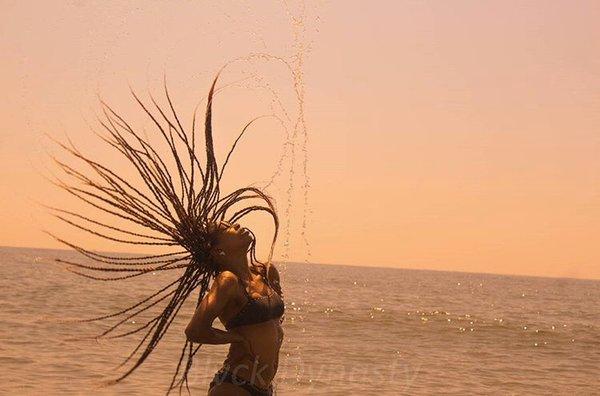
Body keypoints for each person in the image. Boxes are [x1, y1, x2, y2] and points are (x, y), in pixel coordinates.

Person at [185, 220, 285, 396]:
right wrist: (237, 338)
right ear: (218, 250)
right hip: (234, 386)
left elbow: (274, 322)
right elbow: (194, 331)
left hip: (264, 388)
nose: (237, 225)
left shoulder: (266, 272)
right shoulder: (228, 281)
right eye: (227, 228)